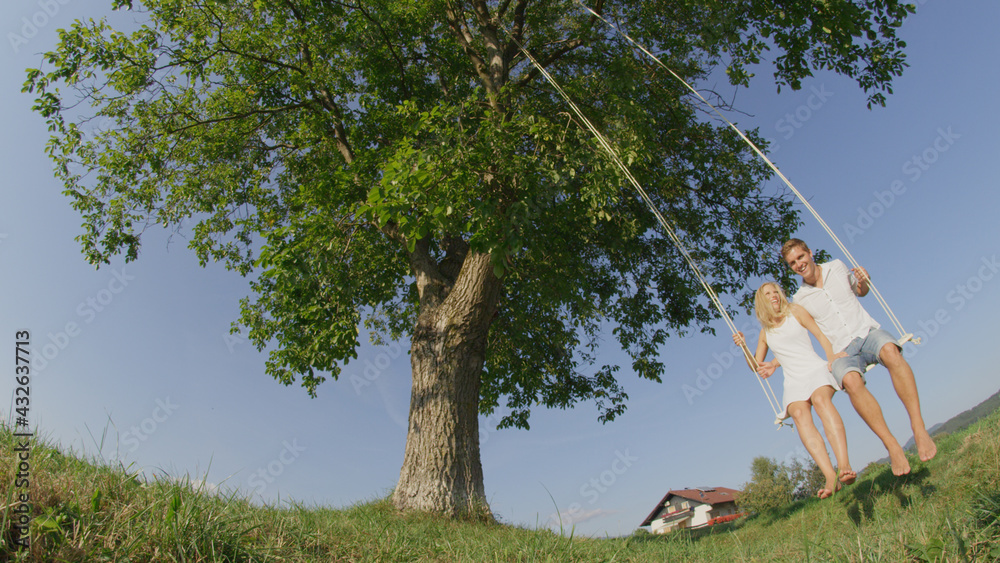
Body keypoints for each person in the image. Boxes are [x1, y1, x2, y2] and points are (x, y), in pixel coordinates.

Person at [781, 238, 936, 476]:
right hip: (842, 350)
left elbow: (861, 291)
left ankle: (918, 427)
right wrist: (772, 362)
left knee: (891, 351)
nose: (799, 264)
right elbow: (796, 337)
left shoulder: (837, 266)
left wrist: (865, 280)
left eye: (800, 257)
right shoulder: (800, 298)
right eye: (792, 263)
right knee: (851, 382)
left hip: (866, 332)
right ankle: (892, 445)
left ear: (810, 253)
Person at [734, 282, 855, 499]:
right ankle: (830, 476)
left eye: (775, 292)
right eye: (767, 294)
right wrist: (743, 346)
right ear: (762, 301)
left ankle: (844, 464)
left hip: (815, 369)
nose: (773, 296)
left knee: (820, 400)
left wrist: (831, 358)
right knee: (798, 414)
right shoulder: (765, 332)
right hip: (793, 380)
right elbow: (755, 365)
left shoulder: (796, 312)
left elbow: (819, 334)